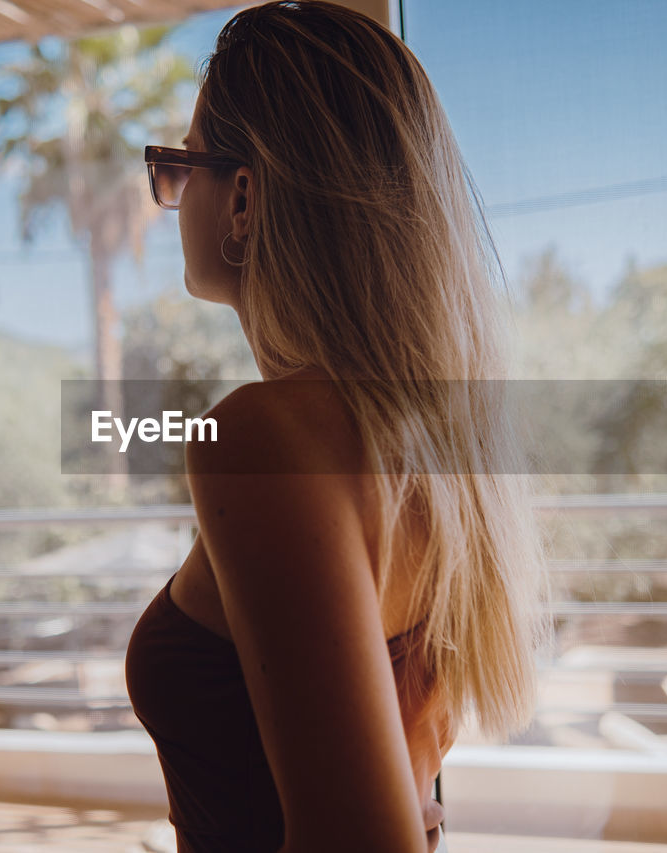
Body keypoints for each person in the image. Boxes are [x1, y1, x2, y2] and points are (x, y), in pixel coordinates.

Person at [125, 3, 547, 851]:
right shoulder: (430, 437)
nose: (172, 201)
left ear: (242, 198)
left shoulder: (263, 438)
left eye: (180, 168)